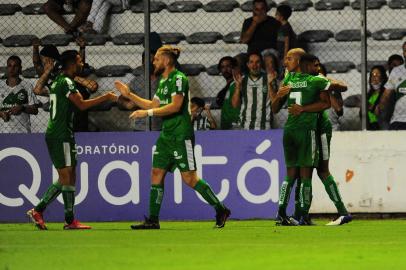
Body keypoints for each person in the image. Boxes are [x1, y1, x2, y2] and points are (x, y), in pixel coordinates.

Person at [115, 45, 230, 229]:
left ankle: (221, 209)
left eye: (156, 59)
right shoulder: (163, 81)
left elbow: (175, 106)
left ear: (167, 60)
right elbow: (153, 104)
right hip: (166, 135)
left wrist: (148, 114)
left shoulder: (178, 79)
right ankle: (153, 220)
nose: (154, 62)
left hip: (180, 135)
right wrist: (130, 96)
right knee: (156, 173)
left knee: (190, 178)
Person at [27, 50, 118, 230]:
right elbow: (82, 105)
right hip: (60, 134)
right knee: (67, 177)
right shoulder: (66, 82)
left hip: (64, 134)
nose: (82, 63)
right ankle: (68, 220)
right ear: (70, 64)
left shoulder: (60, 82)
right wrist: (106, 97)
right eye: (79, 60)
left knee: (69, 176)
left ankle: (40, 211)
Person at [272, 50, 331, 225]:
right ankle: (303, 215)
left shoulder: (288, 80)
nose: (285, 61)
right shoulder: (314, 80)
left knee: (290, 175)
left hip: (289, 131)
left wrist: (278, 95)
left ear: (299, 61)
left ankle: (281, 213)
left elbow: (274, 108)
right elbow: (326, 103)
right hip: (306, 131)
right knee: (306, 176)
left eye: (289, 58)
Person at [292, 56, 352, 226]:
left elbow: (343, 87)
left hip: (321, 130)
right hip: (310, 130)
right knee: (307, 172)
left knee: (318, 171)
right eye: (315, 65)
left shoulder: (316, 81)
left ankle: (304, 215)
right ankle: (302, 214)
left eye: (319, 65)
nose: (318, 68)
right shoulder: (305, 81)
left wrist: (327, 81)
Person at [231, 52, 272, 130]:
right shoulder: (241, 80)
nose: (254, 66)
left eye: (257, 62)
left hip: (264, 126)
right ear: (247, 64)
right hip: (245, 126)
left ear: (261, 64)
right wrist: (237, 86)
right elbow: (235, 105)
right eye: (251, 62)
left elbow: (275, 105)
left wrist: (271, 85)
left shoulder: (269, 79)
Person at [0, 56, 39, 133]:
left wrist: (22, 108)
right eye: (9, 65)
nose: (12, 68)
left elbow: (35, 110)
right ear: (7, 68)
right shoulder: (0, 86)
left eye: (15, 66)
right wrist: (1, 114)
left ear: (20, 68)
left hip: (23, 132)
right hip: (3, 133)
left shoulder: (27, 86)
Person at [379, 42, 406, 130]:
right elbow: (386, 95)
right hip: (399, 120)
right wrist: (379, 106)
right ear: (403, 53)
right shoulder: (396, 71)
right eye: (405, 50)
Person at [215, 56, 240, 130]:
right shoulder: (226, 89)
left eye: (228, 66)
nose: (225, 69)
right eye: (222, 67)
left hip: (236, 127)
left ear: (234, 68)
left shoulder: (239, 84)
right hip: (225, 127)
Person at [366, 65, 388, 130]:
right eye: (372, 75)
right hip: (369, 125)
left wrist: (367, 105)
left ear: (383, 78)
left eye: (377, 75)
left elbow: (379, 112)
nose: (374, 77)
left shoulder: (386, 93)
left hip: (381, 126)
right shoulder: (369, 94)